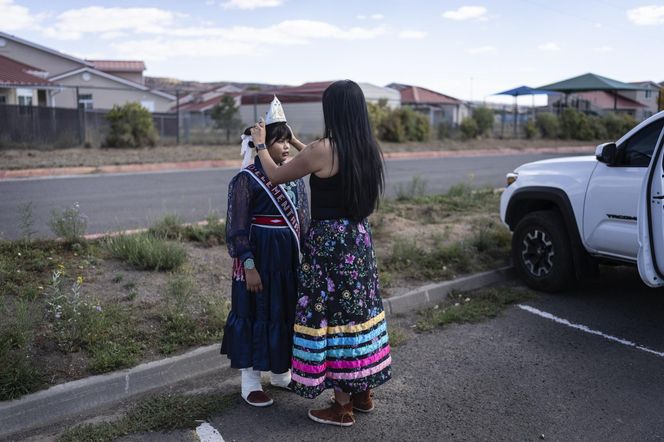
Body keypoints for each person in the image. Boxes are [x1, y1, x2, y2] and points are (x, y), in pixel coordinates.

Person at [250, 80, 391, 426]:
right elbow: (314, 154)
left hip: (329, 247)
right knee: (358, 314)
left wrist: (259, 146)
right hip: (358, 243)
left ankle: (340, 406)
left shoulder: (323, 150)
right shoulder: (367, 148)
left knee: (333, 320)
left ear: (334, 110)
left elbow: (277, 174)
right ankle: (362, 393)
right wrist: (298, 141)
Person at [221, 96, 309, 407]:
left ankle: (282, 372)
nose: (286, 146)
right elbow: (237, 228)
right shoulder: (245, 180)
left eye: (288, 140)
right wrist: (248, 265)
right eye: (278, 140)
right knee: (256, 312)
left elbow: (303, 219)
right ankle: (250, 380)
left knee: (283, 311)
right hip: (259, 257)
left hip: (286, 259)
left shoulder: (293, 177)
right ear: (262, 143)